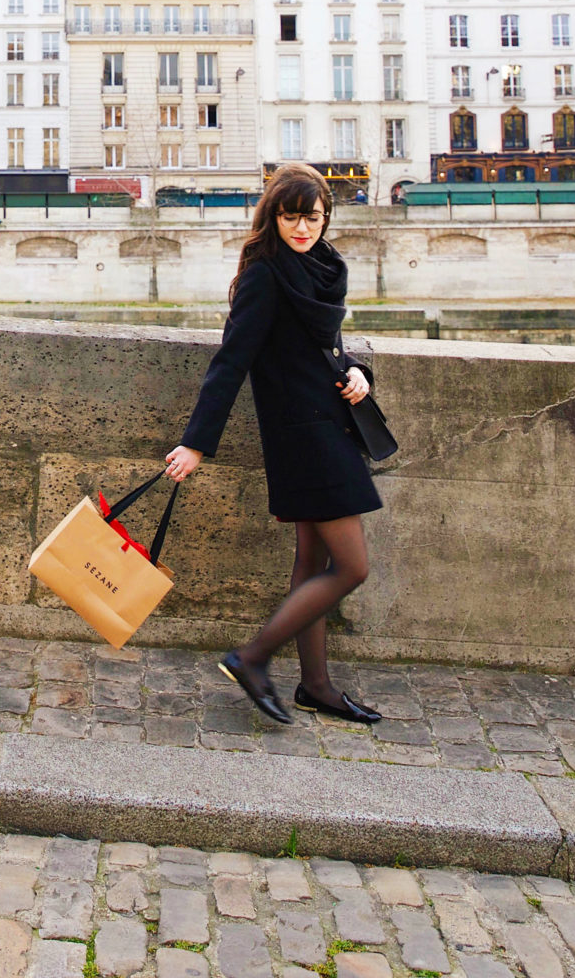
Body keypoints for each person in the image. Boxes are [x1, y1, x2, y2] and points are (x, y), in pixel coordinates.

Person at [165, 162, 383, 727]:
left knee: (312, 563)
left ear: (326, 216)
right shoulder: (266, 274)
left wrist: (358, 371)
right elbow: (230, 362)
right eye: (291, 217)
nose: (302, 228)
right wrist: (196, 445)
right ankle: (253, 657)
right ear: (274, 217)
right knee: (351, 566)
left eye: (312, 217)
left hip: (332, 420)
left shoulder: (324, 266)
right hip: (301, 436)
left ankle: (316, 687)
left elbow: (327, 347)